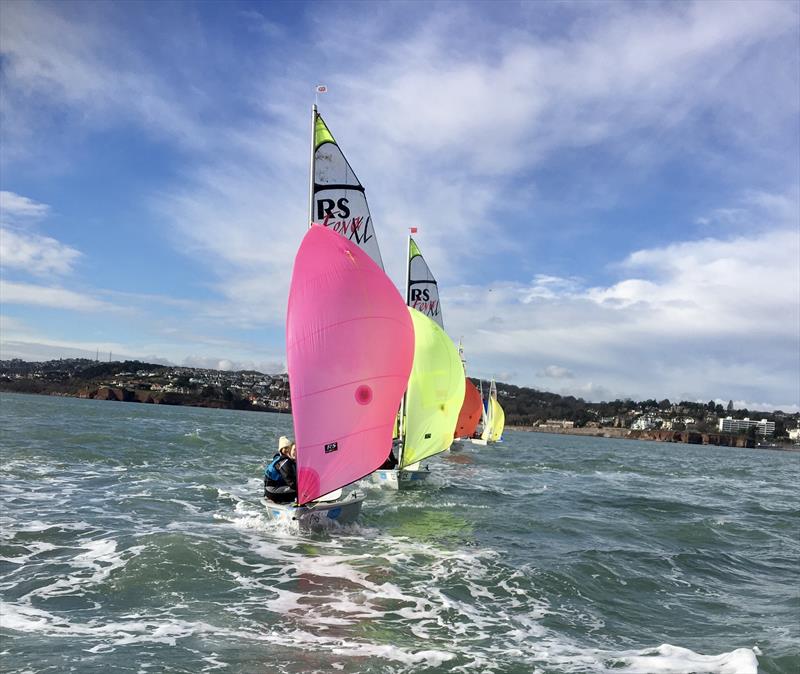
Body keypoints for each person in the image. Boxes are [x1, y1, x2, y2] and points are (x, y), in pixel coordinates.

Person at [264, 436, 297, 503]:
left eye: (288, 448)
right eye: (284, 448)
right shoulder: (284, 462)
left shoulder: (285, 459)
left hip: (277, 488)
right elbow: (291, 482)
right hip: (272, 490)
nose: (286, 450)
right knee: (300, 490)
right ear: (281, 450)